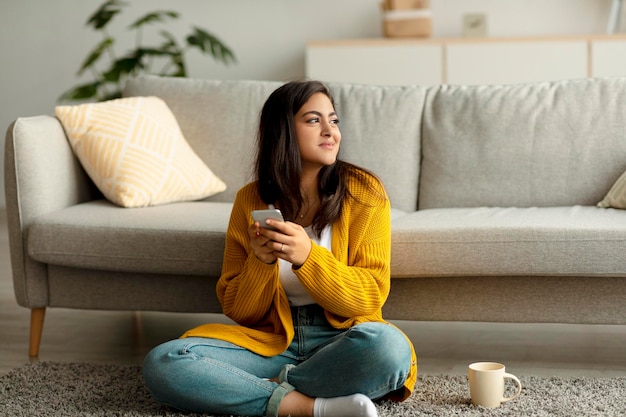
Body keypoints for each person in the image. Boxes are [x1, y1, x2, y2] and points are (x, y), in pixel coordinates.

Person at [143, 80, 417, 417]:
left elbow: (371, 295)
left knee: (389, 349)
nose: (330, 132)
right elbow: (238, 310)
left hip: (342, 339)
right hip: (272, 341)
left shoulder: (364, 192)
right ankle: (307, 406)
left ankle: (265, 390)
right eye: (314, 120)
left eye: (333, 120)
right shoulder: (250, 200)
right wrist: (260, 262)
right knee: (165, 362)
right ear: (283, 131)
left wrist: (308, 257)